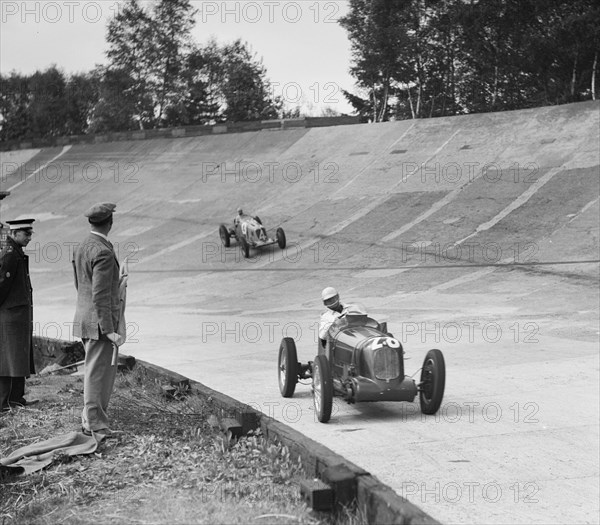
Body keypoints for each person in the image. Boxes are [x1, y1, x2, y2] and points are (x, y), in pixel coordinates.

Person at [72, 203, 123, 436]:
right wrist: (109, 328)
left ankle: (93, 418)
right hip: (99, 323)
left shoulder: (83, 245)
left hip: (85, 318)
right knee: (97, 373)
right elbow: (100, 294)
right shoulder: (103, 250)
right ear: (110, 223)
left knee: (96, 370)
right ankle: (94, 423)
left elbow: (80, 284)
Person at [0, 218, 38, 412]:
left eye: (30, 233)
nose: (30, 237)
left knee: (18, 359)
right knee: (8, 360)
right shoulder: (9, 255)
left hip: (17, 315)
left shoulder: (16, 253)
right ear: (14, 234)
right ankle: (5, 402)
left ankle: (16, 399)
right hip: (11, 317)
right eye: (26, 233)